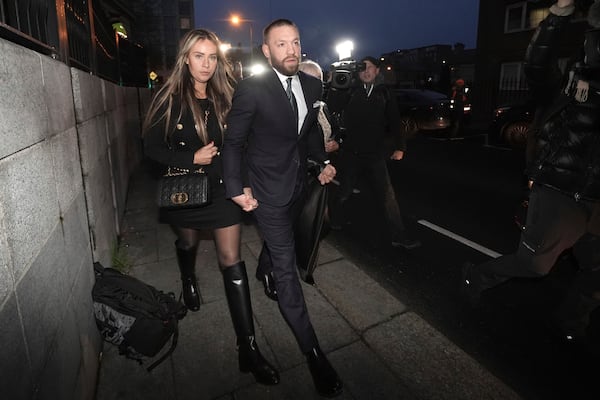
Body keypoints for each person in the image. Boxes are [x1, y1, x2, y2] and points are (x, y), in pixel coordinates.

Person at [142, 28, 279, 386]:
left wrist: (244, 182)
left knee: (232, 260)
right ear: (185, 58)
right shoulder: (168, 98)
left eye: (212, 56)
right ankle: (188, 277)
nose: (206, 64)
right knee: (187, 242)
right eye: (199, 56)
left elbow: (241, 145)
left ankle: (248, 348)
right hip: (186, 190)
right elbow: (151, 149)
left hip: (222, 189)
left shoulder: (226, 95)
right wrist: (191, 157)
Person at [461, 0, 600, 343]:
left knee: (596, 271)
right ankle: (477, 276)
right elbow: (537, 64)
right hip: (560, 190)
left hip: (597, 198)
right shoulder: (568, 87)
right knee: (535, 265)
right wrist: (557, 16)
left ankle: (571, 322)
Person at [221, 19, 343, 398]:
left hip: (298, 187)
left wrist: (321, 163)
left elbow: (305, 137)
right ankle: (314, 354)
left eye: (295, 42)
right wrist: (235, 187)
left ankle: (266, 269)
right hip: (266, 193)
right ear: (267, 51)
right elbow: (234, 144)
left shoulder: (311, 84)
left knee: (280, 249)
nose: (291, 50)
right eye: (281, 44)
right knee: (289, 270)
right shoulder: (251, 89)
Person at [328, 56, 421, 250]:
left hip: (375, 154)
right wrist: (337, 85)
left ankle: (399, 236)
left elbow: (395, 120)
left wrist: (400, 147)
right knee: (344, 191)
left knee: (388, 196)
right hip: (352, 152)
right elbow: (334, 107)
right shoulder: (351, 91)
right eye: (362, 68)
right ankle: (333, 218)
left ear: (377, 70)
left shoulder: (385, 93)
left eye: (369, 68)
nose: (366, 71)